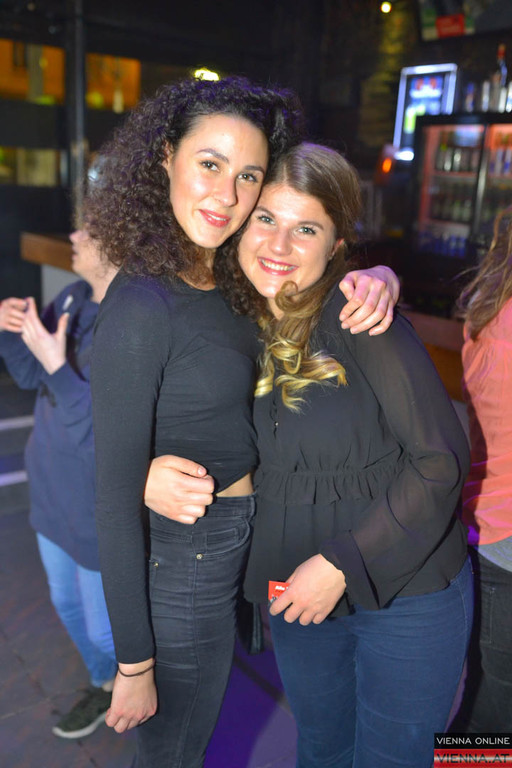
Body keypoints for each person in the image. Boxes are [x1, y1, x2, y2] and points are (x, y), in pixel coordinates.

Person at [87, 75, 400, 768]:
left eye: (248, 175)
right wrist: (134, 662)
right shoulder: (143, 303)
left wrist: (381, 277)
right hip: (186, 556)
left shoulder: (229, 276)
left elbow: (317, 275)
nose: (227, 195)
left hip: (237, 541)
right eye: (209, 163)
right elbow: (111, 501)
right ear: (165, 157)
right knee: (176, 750)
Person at [148, 142, 473, 768]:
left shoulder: (359, 319)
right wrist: (148, 472)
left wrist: (343, 564)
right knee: (321, 750)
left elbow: (441, 460)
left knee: (396, 759)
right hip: (294, 589)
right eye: (266, 219)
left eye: (306, 229)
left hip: (405, 589)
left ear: (336, 245)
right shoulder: (226, 323)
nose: (279, 244)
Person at [0, 229, 118, 739]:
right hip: (50, 490)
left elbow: (106, 428)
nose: (74, 234)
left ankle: (138, 686)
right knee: (66, 603)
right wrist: (10, 331)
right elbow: (32, 377)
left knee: (104, 630)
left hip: (93, 502)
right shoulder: (72, 296)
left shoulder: (134, 322)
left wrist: (54, 360)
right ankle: (104, 683)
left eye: (89, 228)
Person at [449, 205, 512, 733]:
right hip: (505, 535)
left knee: (485, 690)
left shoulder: (491, 311)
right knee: (497, 708)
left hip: (483, 523)